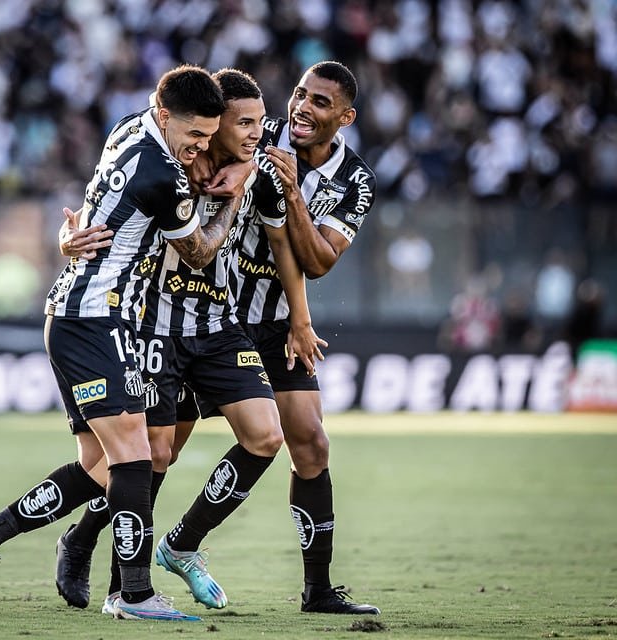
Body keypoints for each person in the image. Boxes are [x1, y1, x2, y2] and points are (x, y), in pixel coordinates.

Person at [0, 63, 255, 622]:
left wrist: (69, 236)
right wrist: (234, 194)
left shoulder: (128, 127)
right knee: (135, 450)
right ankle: (133, 594)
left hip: (85, 314)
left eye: (209, 138)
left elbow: (96, 215)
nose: (200, 148)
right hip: (94, 317)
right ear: (167, 118)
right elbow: (201, 252)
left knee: (98, 467)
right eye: (195, 137)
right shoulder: (163, 173)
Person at [54, 68, 325, 615]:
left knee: (265, 436)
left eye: (257, 123)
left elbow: (282, 245)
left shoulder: (262, 163)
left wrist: (300, 318)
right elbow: (99, 210)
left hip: (219, 325)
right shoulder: (153, 145)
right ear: (211, 122)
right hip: (152, 324)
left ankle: (180, 543)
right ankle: (95, 555)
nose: (255, 132)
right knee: (152, 457)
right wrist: (66, 237)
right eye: (242, 124)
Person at [169, 61, 381, 615]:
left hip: (283, 322)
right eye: (300, 95)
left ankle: (315, 590)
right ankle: (87, 540)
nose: (302, 109)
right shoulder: (255, 130)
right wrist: (247, 168)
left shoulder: (355, 181)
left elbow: (318, 260)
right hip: (213, 316)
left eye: (320, 103)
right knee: (159, 448)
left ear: (346, 117)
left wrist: (291, 197)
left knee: (308, 441)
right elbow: (207, 159)